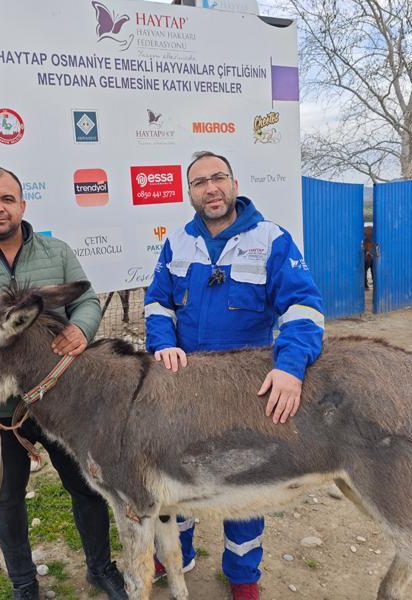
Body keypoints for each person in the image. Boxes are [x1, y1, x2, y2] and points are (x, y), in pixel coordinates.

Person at [0, 165, 128, 600]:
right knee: (8, 498)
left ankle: (101, 568)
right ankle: (24, 585)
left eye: (6, 199)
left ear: (22, 204)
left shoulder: (56, 252)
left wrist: (82, 329)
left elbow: (88, 300)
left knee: (86, 486)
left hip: (62, 402)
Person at [144, 151, 325, 600]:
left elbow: (303, 308)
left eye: (218, 178)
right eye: (200, 182)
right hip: (183, 388)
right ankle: (175, 555)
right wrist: (163, 343)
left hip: (245, 392)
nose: (211, 188)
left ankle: (243, 577)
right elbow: (157, 302)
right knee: (178, 475)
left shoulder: (272, 239)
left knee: (243, 485)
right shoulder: (177, 243)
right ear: (189, 192)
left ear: (234, 182)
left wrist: (289, 367)